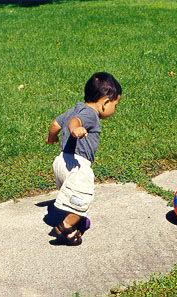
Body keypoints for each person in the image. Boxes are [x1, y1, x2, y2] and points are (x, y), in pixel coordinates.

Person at [45, 72, 122, 246]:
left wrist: (51, 138)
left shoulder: (76, 108)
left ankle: (73, 220)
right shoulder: (89, 114)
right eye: (115, 105)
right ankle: (65, 227)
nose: (114, 109)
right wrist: (75, 129)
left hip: (61, 162)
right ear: (105, 102)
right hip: (77, 167)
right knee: (83, 200)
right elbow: (75, 121)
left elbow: (55, 124)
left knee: (73, 198)